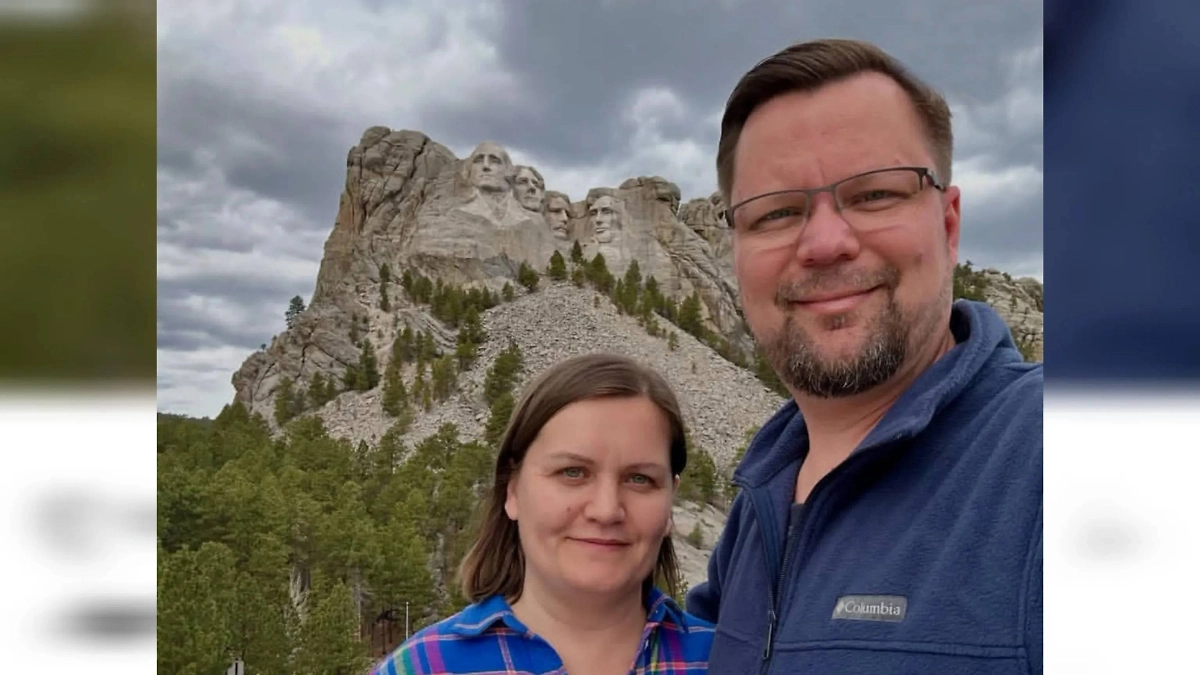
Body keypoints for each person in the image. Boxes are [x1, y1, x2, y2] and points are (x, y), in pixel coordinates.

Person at [685, 38, 1043, 674]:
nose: (825, 242)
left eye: (875, 195)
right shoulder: (758, 506)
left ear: (949, 224)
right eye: (776, 213)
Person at [371, 353, 715, 675]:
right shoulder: (422, 666)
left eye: (639, 479)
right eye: (572, 472)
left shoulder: (725, 660)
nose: (606, 510)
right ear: (512, 490)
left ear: (670, 499)